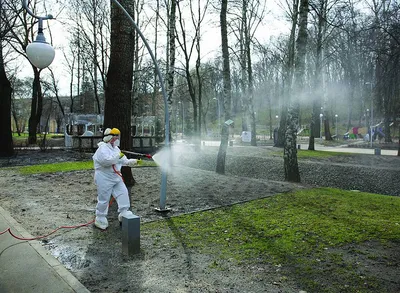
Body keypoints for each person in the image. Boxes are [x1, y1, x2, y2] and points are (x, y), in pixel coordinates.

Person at [92, 127, 138, 230]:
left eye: (118, 136)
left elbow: (124, 161)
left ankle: (124, 212)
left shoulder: (116, 149)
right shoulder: (102, 148)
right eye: (115, 136)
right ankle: (100, 217)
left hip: (115, 177)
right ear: (109, 137)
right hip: (104, 177)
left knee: (123, 193)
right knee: (104, 199)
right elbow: (106, 161)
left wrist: (133, 161)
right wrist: (118, 157)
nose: (117, 138)